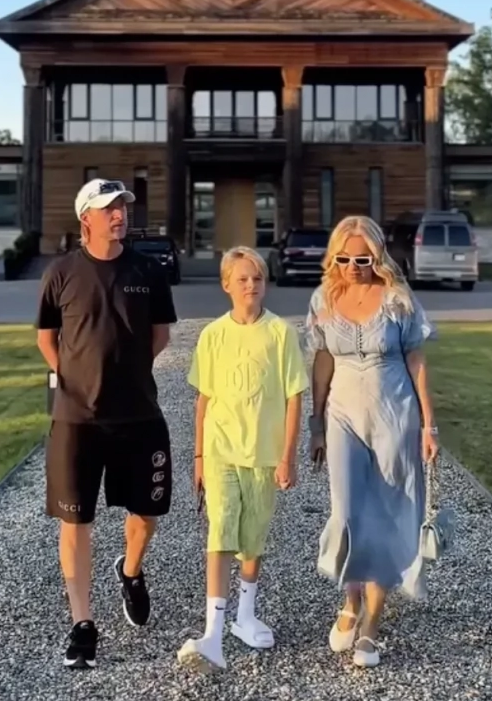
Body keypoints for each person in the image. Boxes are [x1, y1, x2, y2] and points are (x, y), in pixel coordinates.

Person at [35, 178, 178, 670]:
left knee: (147, 513)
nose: (120, 214)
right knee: (76, 520)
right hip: (77, 419)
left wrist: (127, 375)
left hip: (139, 413)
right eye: (109, 208)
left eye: (123, 206)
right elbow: (47, 337)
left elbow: (160, 336)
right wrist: (74, 380)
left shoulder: (148, 270)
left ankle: (131, 571)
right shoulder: (61, 272)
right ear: (86, 219)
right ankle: (83, 625)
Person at [304, 215, 439, 669]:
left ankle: (372, 623)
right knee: (346, 512)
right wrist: (316, 423)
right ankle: (351, 599)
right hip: (342, 415)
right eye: (344, 259)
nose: (353, 267)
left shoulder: (399, 299)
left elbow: (416, 359)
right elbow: (323, 360)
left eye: (363, 260)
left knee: (384, 514)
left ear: (377, 257)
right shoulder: (324, 298)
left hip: (394, 415)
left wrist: (429, 425)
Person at [177, 246, 308, 673]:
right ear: (226, 285)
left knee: (253, 538)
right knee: (221, 531)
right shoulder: (213, 335)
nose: (251, 285)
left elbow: (294, 398)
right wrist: (199, 455)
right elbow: (203, 400)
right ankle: (212, 632)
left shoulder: (280, 334)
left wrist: (288, 457)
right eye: (243, 279)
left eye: (257, 278)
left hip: (263, 454)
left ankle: (245, 616)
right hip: (221, 451)